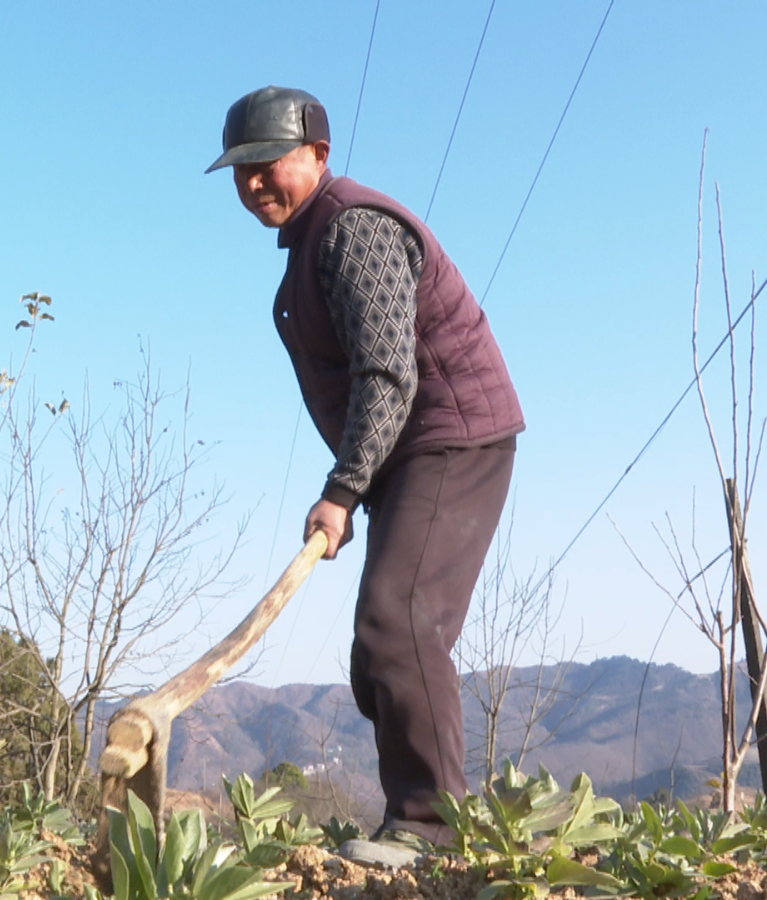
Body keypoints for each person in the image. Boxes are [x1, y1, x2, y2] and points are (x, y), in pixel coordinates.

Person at [206, 86, 525, 867]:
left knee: (398, 621)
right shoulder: (311, 249)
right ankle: (422, 816)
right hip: (409, 454)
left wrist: (343, 489)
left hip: (453, 436)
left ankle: (432, 832)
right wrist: (361, 485)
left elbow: (385, 375)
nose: (252, 186)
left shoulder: (353, 228)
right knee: (375, 650)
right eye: (238, 173)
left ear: (318, 153)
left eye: (266, 165)